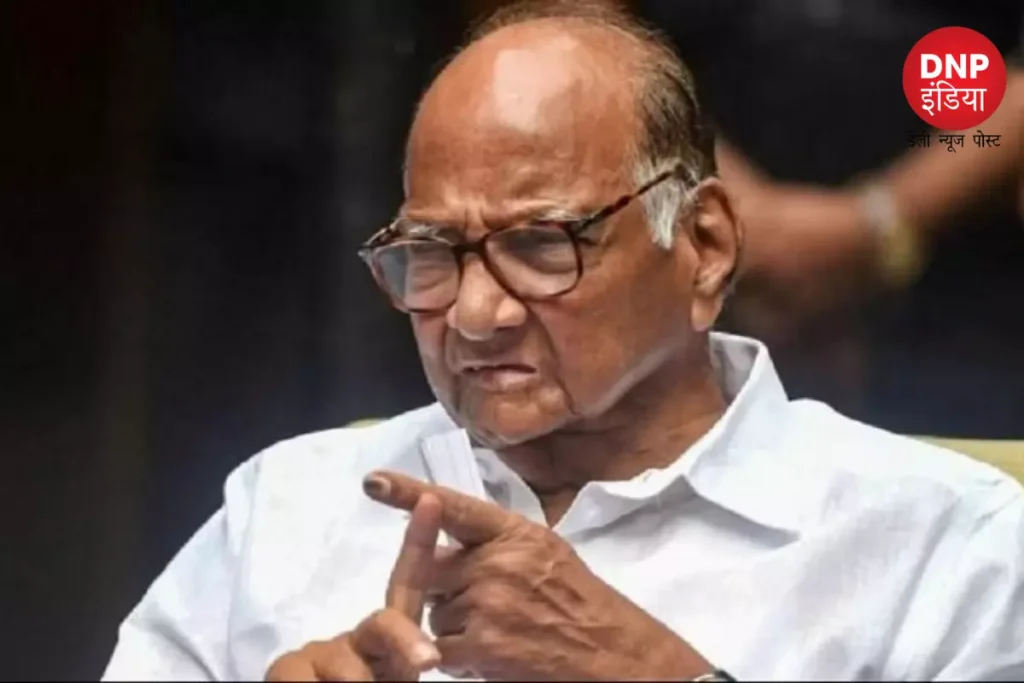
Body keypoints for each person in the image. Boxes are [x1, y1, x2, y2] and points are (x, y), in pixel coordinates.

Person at [102, 2, 1024, 680]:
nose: (475, 314)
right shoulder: (287, 508)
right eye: (432, 253)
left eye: (542, 246)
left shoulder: (945, 547)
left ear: (703, 247)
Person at [634, 0, 1024, 436]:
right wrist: (737, 211)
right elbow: (604, 40)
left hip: (959, 276)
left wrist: (883, 220)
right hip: (684, 244)